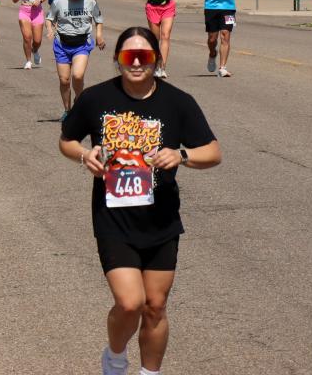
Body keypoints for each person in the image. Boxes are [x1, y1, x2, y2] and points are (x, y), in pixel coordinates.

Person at [58, 26, 221, 375]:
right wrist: (84, 155)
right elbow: (67, 140)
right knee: (131, 303)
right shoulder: (96, 99)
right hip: (114, 217)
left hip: (161, 218)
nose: (135, 63)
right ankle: (116, 358)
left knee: (155, 306)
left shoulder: (177, 102)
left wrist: (181, 155)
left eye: (144, 56)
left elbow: (213, 152)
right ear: (117, 60)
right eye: (127, 56)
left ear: (156, 60)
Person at [46, 0, 105, 121]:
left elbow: (98, 19)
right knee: (64, 80)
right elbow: (49, 18)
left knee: (77, 76)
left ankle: (79, 101)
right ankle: (67, 110)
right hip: (62, 44)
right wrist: (50, 29)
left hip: (82, 44)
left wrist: (99, 36)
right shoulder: (59, 2)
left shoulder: (90, 3)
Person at [140, 0, 183, 79]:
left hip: (168, 7)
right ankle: (155, 65)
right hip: (153, 7)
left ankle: (162, 68)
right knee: (156, 38)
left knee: (166, 36)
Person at [12, 0, 50, 69]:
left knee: (37, 40)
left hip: (37, 12)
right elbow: (14, 0)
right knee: (27, 37)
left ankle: (35, 50)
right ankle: (28, 61)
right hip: (24, 11)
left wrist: (40, 0)